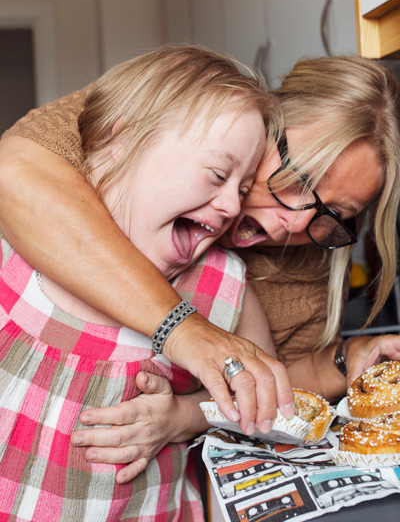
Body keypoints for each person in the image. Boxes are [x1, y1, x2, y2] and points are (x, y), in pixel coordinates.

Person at [2, 53, 400, 479]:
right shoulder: (165, 114)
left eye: (336, 214)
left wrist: (342, 359)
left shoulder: (297, 267)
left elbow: (273, 386)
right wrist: (183, 329)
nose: (298, 222)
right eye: (300, 177)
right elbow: (17, 176)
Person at [0, 45, 293, 520]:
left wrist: (183, 417)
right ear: (123, 139)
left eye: (242, 190)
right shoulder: (15, 251)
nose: (232, 207)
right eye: (218, 174)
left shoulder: (221, 287)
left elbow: (270, 411)